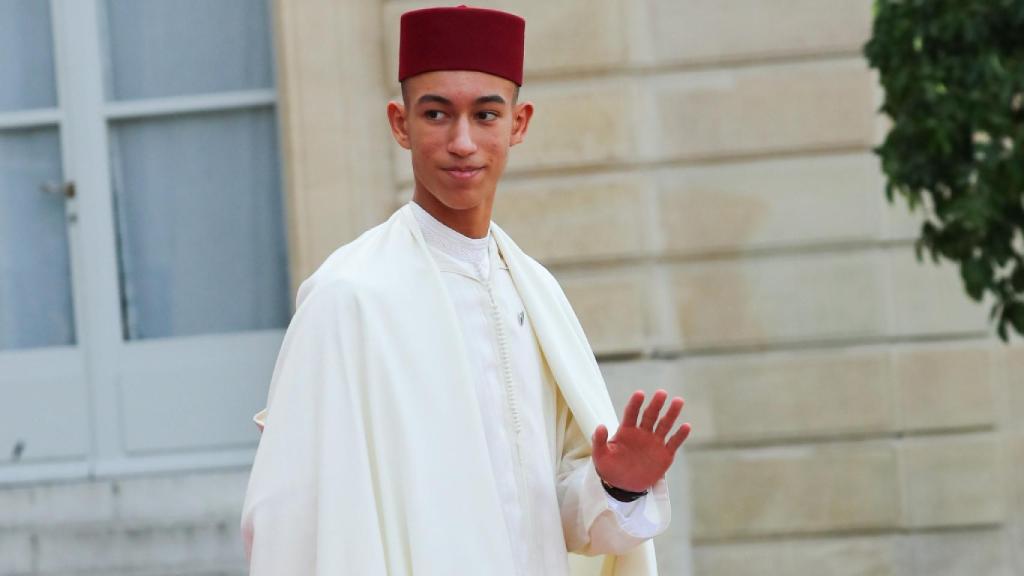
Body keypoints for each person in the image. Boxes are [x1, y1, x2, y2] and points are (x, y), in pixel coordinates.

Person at [241, 6, 691, 576]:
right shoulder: (348, 298)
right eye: (436, 114)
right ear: (400, 124)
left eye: (485, 115)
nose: (461, 141)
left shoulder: (536, 295)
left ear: (518, 124)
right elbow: (291, 521)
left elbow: (547, 520)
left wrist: (619, 487)